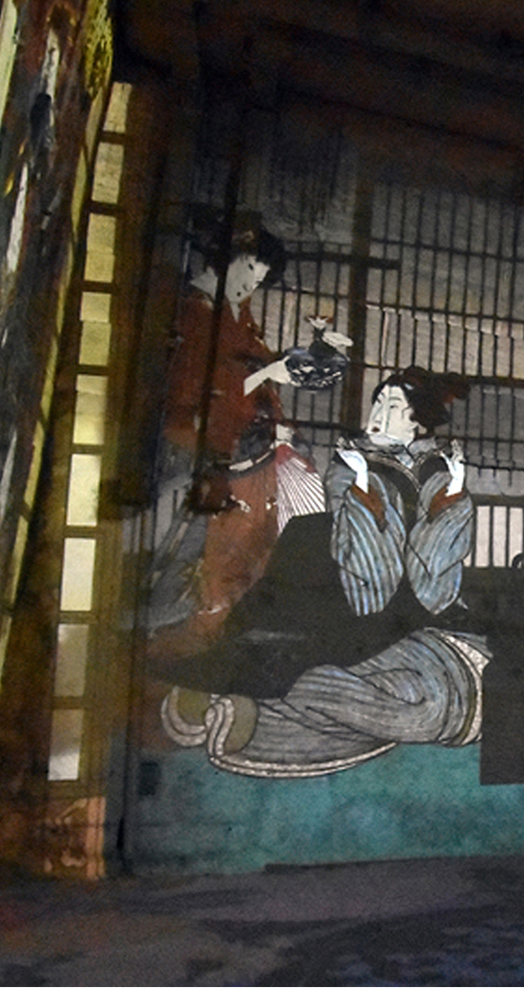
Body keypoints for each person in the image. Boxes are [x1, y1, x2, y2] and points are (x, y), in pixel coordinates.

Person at [160, 368, 491, 777]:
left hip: (415, 606)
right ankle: (239, 696)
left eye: (391, 406)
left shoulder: (440, 472)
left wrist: (452, 495)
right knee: (293, 647)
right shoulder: (351, 463)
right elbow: (370, 569)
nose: (377, 414)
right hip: (355, 588)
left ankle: (249, 710)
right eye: (377, 403)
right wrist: (364, 482)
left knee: (403, 694)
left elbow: (435, 582)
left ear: (417, 420)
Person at [147, 214, 326, 660]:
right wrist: (265, 375)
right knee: (210, 537)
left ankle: (217, 615)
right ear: (227, 257)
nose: (250, 287)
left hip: (239, 441)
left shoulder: (234, 310)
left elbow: (253, 367)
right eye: (248, 271)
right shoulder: (195, 311)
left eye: (258, 281)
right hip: (201, 438)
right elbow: (204, 386)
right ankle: (172, 615)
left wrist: (277, 381)